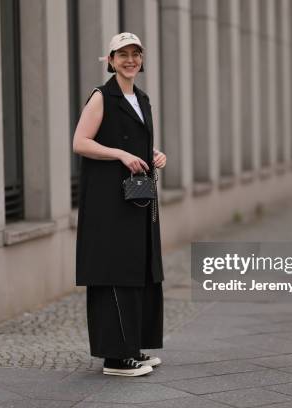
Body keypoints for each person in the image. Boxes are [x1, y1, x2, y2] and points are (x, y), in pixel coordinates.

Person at [73, 32, 167, 377]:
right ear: (110, 60)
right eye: (122, 54)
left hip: (135, 201)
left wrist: (153, 154)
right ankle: (114, 358)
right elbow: (80, 142)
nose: (130, 60)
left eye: (135, 54)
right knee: (113, 272)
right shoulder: (102, 97)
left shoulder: (141, 99)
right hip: (107, 203)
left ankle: (131, 348)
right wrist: (121, 154)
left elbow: (134, 141)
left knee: (136, 271)